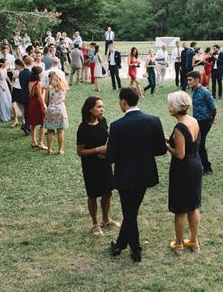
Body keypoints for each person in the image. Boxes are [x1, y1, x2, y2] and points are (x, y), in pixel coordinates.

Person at [106, 87, 167, 263]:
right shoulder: (153, 120)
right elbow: (161, 149)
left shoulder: (117, 126)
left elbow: (111, 156)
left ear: (124, 101)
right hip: (145, 173)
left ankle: (136, 249)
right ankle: (119, 245)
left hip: (125, 174)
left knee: (129, 212)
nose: (119, 104)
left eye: (119, 101)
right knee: (131, 211)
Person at [164, 91, 202, 253]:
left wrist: (165, 145)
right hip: (196, 165)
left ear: (174, 107)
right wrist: (167, 139)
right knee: (193, 206)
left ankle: (179, 244)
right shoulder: (193, 120)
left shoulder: (180, 127)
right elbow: (188, 143)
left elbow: (180, 154)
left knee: (180, 208)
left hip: (183, 169)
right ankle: (194, 241)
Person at [77, 97, 119, 236]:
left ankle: (106, 219)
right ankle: (95, 223)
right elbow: (80, 151)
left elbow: (107, 138)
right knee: (93, 194)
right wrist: (97, 150)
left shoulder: (103, 121)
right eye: (99, 107)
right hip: (91, 165)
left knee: (108, 191)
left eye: (102, 106)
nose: (102, 109)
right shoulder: (83, 128)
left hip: (104, 162)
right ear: (90, 109)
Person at [187, 71, 217, 174]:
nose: (188, 82)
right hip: (197, 121)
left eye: (190, 80)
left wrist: (213, 118)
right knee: (197, 143)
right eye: (188, 80)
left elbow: (213, 107)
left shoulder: (205, 91)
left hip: (205, 121)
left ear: (197, 80)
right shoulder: (194, 90)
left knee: (200, 144)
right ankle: (202, 166)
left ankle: (207, 168)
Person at [44, 72, 69, 155]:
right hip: (61, 109)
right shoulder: (64, 87)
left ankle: (49, 149)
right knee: (60, 131)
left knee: (50, 131)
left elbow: (46, 100)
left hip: (51, 109)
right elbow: (64, 98)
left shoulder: (49, 88)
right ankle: (60, 150)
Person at [28, 66, 47, 150]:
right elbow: (40, 97)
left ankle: (33, 141)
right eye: (41, 72)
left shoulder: (30, 82)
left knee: (33, 124)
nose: (42, 73)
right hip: (37, 104)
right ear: (38, 74)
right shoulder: (38, 83)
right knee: (43, 123)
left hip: (31, 103)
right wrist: (44, 106)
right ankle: (40, 142)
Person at [17, 56, 32, 136]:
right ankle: (26, 125)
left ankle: (27, 125)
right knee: (29, 111)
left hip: (22, 93)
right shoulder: (30, 73)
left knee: (26, 111)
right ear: (31, 63)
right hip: (28, 95)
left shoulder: (21, 73)